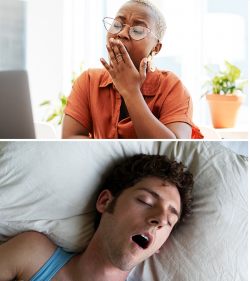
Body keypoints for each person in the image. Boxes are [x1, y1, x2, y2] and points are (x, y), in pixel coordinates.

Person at [0, 154, 194, 281]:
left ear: (159, 247)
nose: (160, 220)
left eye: (169, 221)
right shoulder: (32, 254)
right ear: (105, 202)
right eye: (146, 201)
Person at [62, 0, 204, 139]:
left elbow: (173, 151)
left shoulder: (172, 88)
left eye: (137, 30)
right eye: (117, 25)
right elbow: (70, 138)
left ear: (156, 48)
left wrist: (131, 91)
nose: (122, 33)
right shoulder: (88, 81)